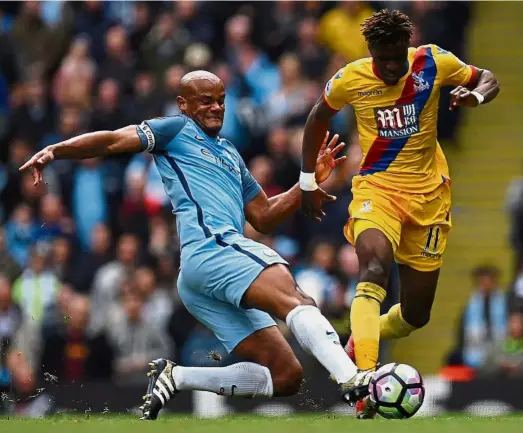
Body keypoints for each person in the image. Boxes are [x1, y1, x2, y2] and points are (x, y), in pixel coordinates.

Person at [20, 70, 372, 421]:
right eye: (206, 100)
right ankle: (353, 379)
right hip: (213, 248)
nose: (216, 107)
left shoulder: (231, 154)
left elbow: (263, 216)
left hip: (198, 276)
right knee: (297, 299)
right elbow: (113, 140)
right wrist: (56, 149)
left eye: (221, 100)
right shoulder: (175, 129)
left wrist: (305, 184)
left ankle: (177, 376)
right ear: (183, 105)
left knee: (286, 376)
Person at [300, 9, 500, 418]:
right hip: (377, 191)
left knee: (415, 315)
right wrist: (306, 180)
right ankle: (363, 381)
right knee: (373, 269)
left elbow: (487, 78)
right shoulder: (351, 77)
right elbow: (317, 116)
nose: (391, 66)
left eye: (397, 57)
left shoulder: (432, 62)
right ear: (370, 50)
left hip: (429, 200)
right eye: (383, 58)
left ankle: (362, 335)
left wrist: (474, 95)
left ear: (406, 48)